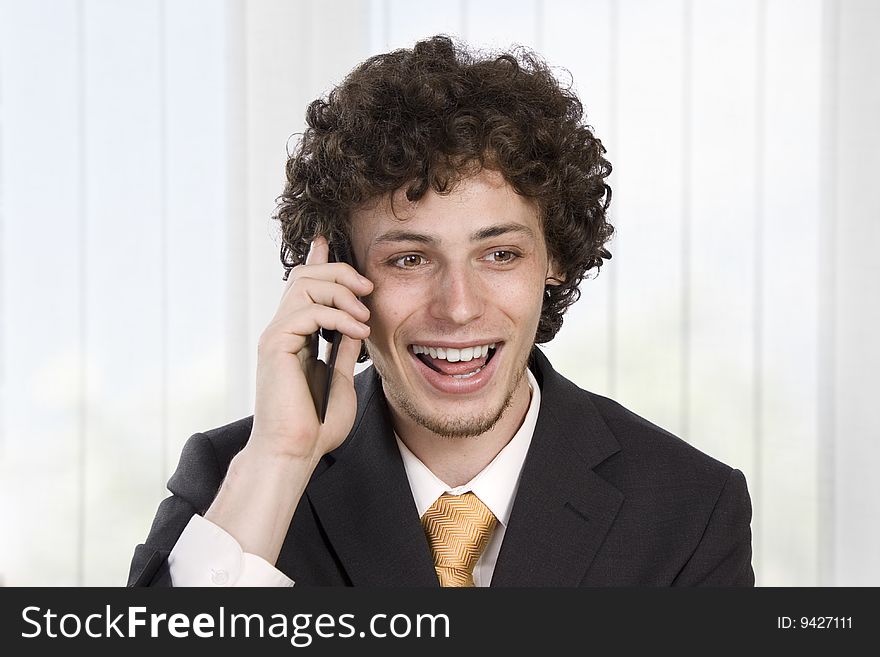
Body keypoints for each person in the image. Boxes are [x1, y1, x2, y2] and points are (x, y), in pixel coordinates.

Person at [128, 35, 754, 587]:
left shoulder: (689, 509)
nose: (458, 308)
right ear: (341, 279)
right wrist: (282, 459)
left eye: (500, 254)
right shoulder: (239, 476)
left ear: (555, 258)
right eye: (408, 260)